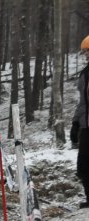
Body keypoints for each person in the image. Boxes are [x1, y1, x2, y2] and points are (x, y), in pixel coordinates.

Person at [70, 34, 89, 209]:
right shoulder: (85, 74)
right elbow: (82, 102)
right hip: (86, 126)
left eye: (87, 52)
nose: (85, 56)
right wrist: (76, 123)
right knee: (83, 165)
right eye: (85, 53)